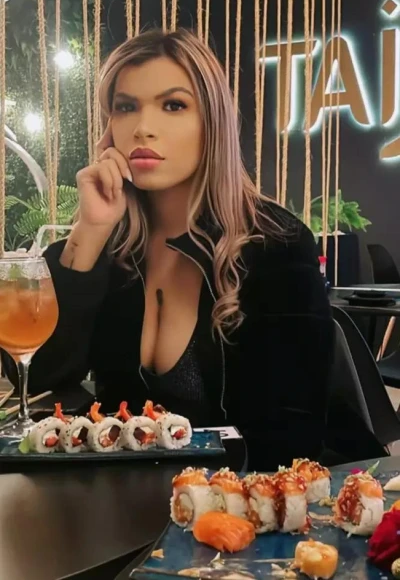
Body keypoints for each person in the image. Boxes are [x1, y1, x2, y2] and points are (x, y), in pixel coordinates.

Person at [4, 29, 335, 469]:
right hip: (115, 492)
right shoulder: (109, 246)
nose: (143, 127)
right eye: (126, 107)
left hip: (232, 495)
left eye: (173, 105)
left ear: (212, 123)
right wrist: (91, 229)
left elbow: (292, 435)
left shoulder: (275, 245)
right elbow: (39, 377)